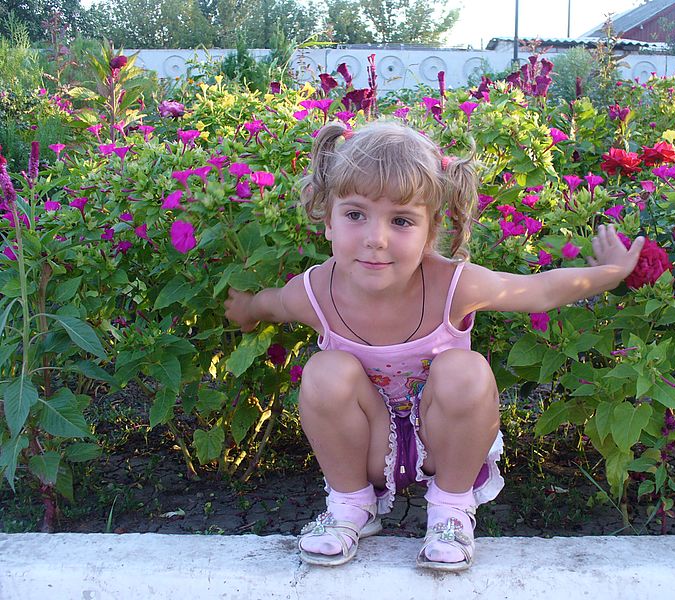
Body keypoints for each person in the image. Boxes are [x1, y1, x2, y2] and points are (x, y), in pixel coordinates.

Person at [224, 120, 644, 571]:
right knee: (325, 371)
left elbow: (535, 290)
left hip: (444, 442)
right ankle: (351, 508)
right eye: (355, 214)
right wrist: (242, 308)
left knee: (465, 369)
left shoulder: (453, 285)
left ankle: (451, 512)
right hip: (369, 444)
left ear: (431, 230)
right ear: (328, 218)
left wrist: (609, 274)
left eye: (401, 220)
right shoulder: (316, 291)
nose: (375, 238)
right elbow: (273, 305)